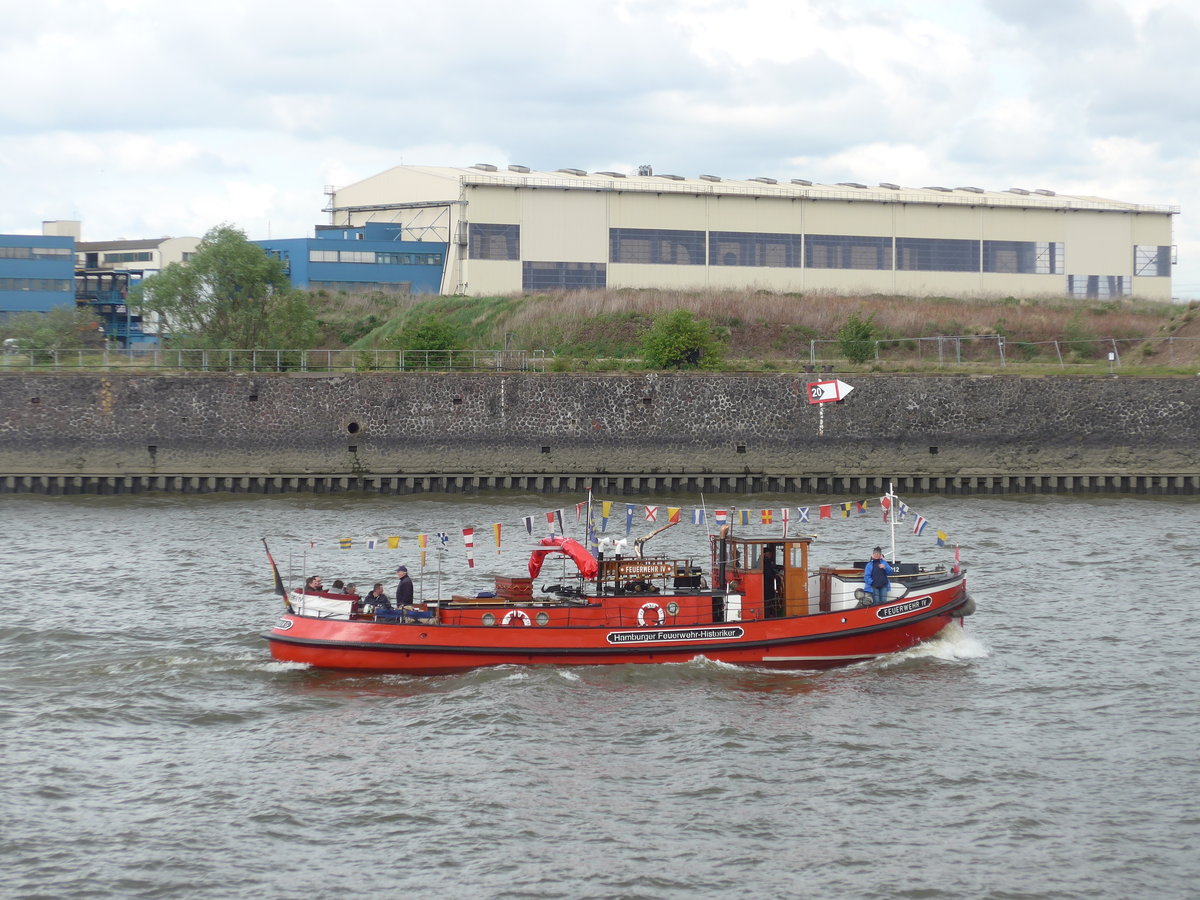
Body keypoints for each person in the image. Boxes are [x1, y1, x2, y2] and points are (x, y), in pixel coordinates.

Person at [761, 545, 784, 618]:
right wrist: (778, 577)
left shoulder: (761, 561)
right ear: (765, 554)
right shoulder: (766, 562)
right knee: (768, 599)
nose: (770, 555)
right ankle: (768, 615)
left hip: (764, 584)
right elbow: (769, 575)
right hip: (767, 584)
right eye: (769, 554)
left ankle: (769, 613)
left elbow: (772, 568)